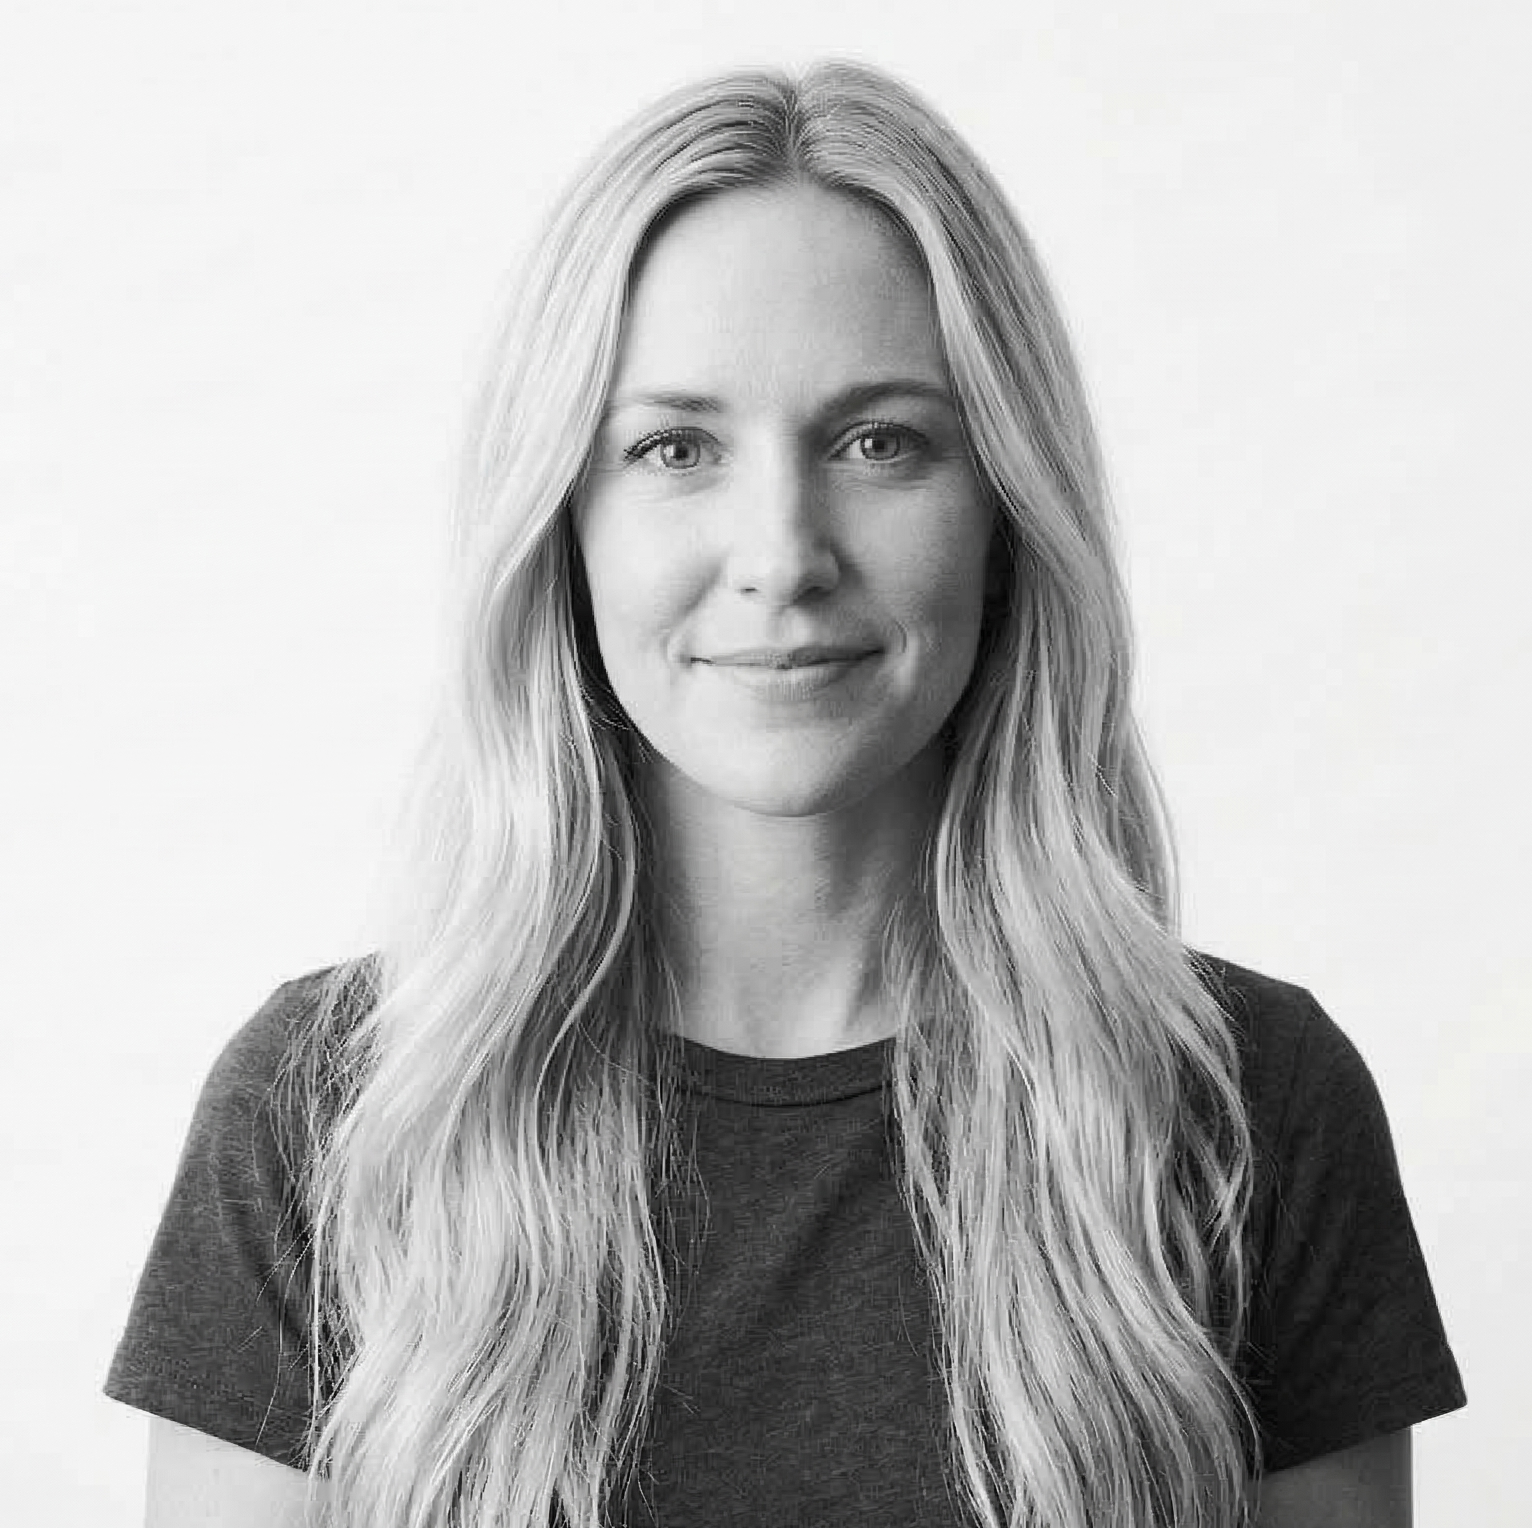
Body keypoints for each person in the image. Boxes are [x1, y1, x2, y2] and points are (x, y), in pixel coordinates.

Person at [104, 59, 1466, 1528]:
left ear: (1006, 509)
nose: (781, 550)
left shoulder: (1244, 1106)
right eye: (674, 447)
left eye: (881, 442)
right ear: (564, 524)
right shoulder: (327, 1113)